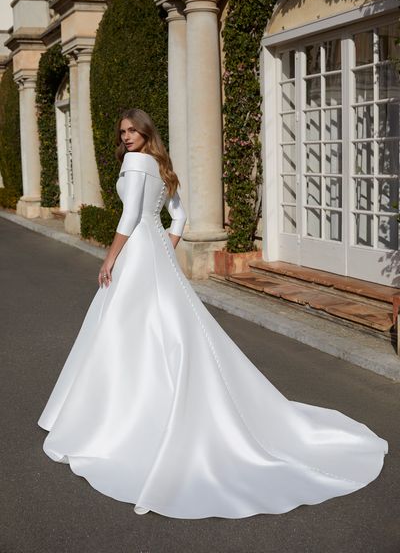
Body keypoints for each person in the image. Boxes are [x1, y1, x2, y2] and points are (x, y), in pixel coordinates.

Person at [38, 108, 388, 520]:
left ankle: (116, 417)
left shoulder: (135, 163)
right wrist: (164, 248)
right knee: (166, 328)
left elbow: (129, 217)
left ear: (146, 132)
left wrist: (110, 258)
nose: (127, 137)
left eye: (133, 130)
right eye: (123, 131)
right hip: (156, 255)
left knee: (126, 332)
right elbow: (179, 218)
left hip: (137, 254)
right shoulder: (163, 167)